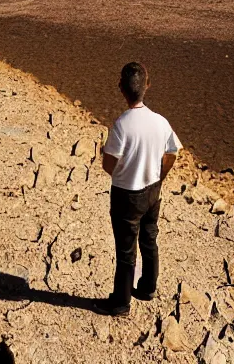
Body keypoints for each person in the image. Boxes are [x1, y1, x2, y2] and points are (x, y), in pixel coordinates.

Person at [94, 62, 181, 316]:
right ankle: (147, 287)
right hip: (153, 190)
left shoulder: (122, 125)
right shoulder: (161, 122)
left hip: (127, 194)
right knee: (149, 239)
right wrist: (159, 176)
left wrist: (125, 174)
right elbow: (172, 152)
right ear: (147, 86)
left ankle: (121, 302)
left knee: (125, 249)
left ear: (120, 88)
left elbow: (108, 163)